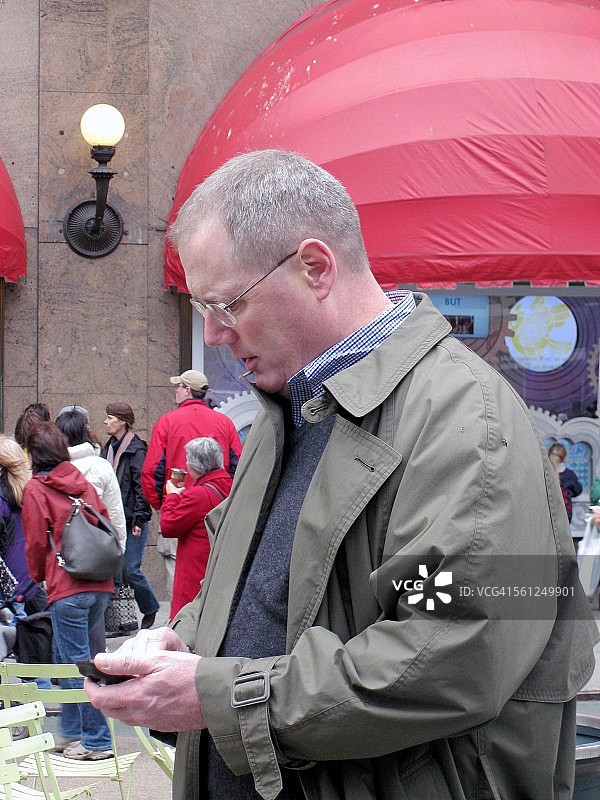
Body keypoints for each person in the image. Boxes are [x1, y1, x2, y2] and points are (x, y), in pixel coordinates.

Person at [85, 150, 598, 800]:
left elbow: (447, 641)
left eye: (226, 304)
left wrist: (216, 697)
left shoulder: (467, 421)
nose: (212, 334)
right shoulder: (291, 412)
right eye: (199, 307)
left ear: (316, 268)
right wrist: (176, 644)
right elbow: (262, 601)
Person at [22, 422, 114, 760]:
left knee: (76, 668)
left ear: (33, 454)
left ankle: (97, 741)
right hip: (100, 583)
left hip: (67, 586)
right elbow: (103, 519)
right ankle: (73, 733)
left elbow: (34, 542)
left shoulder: (36, 488)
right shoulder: (81, 482)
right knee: (72, 659)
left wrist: (38, 578)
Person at [141, 369, 242, 592]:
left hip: (178, 510)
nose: (175, 390)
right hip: (218, 512)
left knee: (180, 583)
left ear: (187, 390)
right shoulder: (224, 422)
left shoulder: (167, 421)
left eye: (178, 386)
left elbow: (151, 473)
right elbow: (238, 468)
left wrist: (166, 505)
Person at [101, 403, 159, 630]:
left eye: (109, 418)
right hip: (114, 519)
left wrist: (139, 519)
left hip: (132, 519)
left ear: (122, 421)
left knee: (131, 568)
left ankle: (150, 607)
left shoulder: (136, 449)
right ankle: (122, 621)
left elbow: (142, 486)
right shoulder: (109, 447)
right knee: (115, 570)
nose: (105, 421)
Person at [160, 437, 232, 618]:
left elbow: (168, 526)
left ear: (195, 465)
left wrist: (172, 496)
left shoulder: (198, 495)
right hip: (220, 566)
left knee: (189, 620)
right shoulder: (229, 485)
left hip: (195, 573)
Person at [548, 442, 583, 523]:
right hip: (566, 514)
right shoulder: (569, 475)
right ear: (565, 458)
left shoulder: (545, 474)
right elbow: (577, 491)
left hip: (548, 513)